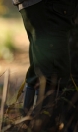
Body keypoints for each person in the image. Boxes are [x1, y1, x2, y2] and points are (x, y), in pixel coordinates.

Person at [12, 0, 78, 131]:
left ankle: (29, 124)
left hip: (39, 6)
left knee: (40, 72)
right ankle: (44, 127)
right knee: (53, 76)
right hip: (50, 6)